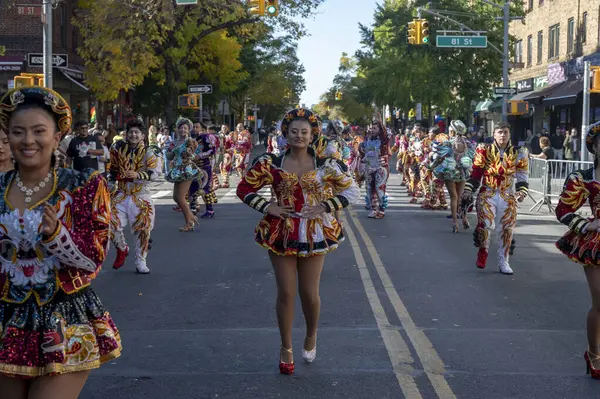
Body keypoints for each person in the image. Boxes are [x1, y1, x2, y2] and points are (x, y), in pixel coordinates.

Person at [0, 86, 121, 397]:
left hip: (63, 318)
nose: (28, 140)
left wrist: (57, 236)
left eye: (39, 131)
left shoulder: (83, 186)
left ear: (57, 138)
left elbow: (93, 260)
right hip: (5, 319)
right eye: (18, 132)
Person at [236, 108, 359, 375]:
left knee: (309, 294)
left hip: (315, 233)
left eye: (305, 132)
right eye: (294, 132)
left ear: (313, 134)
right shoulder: (271, 163)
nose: (299, 136)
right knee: (287, 293)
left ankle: (311, 335)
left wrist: (325, 206)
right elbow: (243, 188)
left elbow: (351, 189)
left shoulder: (326, 164)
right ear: (285, 134)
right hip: (281, 231)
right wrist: (267, 207)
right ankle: (285, 347)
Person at [555, 121, 600, 379]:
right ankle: (594, 352)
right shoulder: (583, 179)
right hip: (596, 244)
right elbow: (563, 210)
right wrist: (587, 224)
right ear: (594, 147)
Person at [463, 122, 529, 274]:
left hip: (508, 194)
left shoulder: (519, 152)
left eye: (505, 132)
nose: (503, 135)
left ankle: (503, 261)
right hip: (488, 192)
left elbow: (522, 175)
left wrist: (521, 191)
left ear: (509, 134)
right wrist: (469, 189)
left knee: (507, 229)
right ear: (494, 134)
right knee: (485, 224)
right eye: (500, 132)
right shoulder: (484, 149)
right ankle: (483, 250)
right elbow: (477, 172)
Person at [109, 118, 161, 274]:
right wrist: (111, 182)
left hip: (141, 196)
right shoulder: (117, 149)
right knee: (109, 224)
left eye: (137, 132)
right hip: (121, 194)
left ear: (143, 135)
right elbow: (112, 169)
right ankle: (122, 248)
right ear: (126, 134)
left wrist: (137, 174)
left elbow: (156, 173)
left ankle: (140, 260)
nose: (133, 135)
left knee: (142, 231)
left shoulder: (150, 151)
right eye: (131, 132)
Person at [431, 120, 474, 232]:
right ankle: (464, 217)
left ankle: (455, 223)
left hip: (450, 172)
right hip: (463, 172)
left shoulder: (448, 143)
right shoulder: (468, 144)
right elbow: (473, 157)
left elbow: (439, 157)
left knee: (453, 197)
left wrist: (431, 166)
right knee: (459, 197)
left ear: (452, 131)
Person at [165, 117, 205, 232]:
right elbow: (170, 157)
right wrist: (168, 149)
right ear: (177, 129)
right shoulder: (175, 142)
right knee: (175, 197)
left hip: (186, 169)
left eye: (185, 128)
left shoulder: (190, 141)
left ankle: (189, 221)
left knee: (181, 197)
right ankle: (191, 218)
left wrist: (188, 153)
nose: (183, 130)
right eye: (181, 128)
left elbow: (193, 155)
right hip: (177, 170)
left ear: (188, 130)